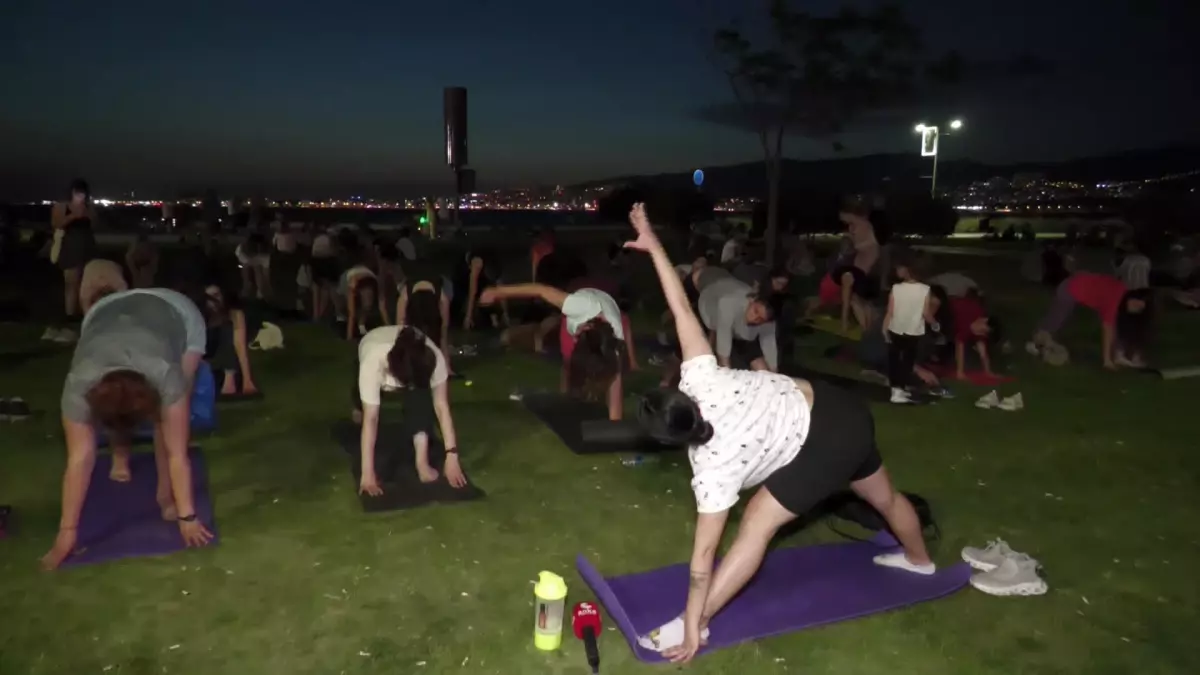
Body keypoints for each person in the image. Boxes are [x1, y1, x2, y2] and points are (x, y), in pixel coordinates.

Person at [623, 203, 934, 662]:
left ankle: (702, 625)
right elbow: (681, 305)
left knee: (755, 526)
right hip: (841, 408)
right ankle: (920, 562)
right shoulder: (701, 376)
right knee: (883, 497)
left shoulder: (712, 468)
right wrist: (653, 245)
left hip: (824, 439)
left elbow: (701, 564)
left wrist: (689, 623)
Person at [42, 285, 214, 570]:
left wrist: (187, 517)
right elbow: (79, 459)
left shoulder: (165, 374)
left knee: (170, 424)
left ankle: (165, 494)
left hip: (177, 311)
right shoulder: (78, 385)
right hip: (106, 310)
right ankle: (121, 460)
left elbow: (177, 453)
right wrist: (66, 533)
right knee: (110, 429)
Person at [480, 281, 630, 421]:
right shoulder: (578, 306)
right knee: (569, 368)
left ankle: (584, 394)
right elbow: (538, 289)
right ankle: (568, 403)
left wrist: (614, 421)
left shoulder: (614, 342)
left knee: (606, 374)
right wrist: (498, 291)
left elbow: (615, 383)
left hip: (604, 314)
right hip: (586, 306)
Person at [353, 325, 467, 493]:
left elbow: (441, 406)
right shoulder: (373, 361)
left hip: (411, 362)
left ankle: (421, 463)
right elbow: (372, 419)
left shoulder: (433, 358)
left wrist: (452, 456)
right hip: (373, 343)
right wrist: (367, 474)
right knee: (363, 409)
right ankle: (356, 404)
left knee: (419, 399)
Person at [1027, 272, 1152, 369]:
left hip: (1081, 285)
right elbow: (1107, 329)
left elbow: (1116, 326)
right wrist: (1107, 361)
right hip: (1071, 287)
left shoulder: (1121, 299)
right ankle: (1035, 343)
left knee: (1118, 324)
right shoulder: (1116, 298)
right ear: (1131, 296)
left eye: (1139, 308)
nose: (1135, 308)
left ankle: (1120, 355)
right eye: (1135, 303)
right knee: (1056, 319)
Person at [46, 179, 100, 343]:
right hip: (69, 248)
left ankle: (81, 317)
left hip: (86, 247)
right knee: (71, 283)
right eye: (77, 193)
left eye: (82, 193)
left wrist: (88, 215)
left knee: (86, 284)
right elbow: (56, 225)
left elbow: (95, 225)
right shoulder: (61, 207)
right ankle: (69, 318)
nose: (80, 196)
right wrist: (72, 217)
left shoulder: (89, 208)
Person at [881, 257, 937, 404]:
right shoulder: (925, 290)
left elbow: (890, 312)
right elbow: (926, 313)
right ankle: (898, 390)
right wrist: (935, 324)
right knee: (907, 361)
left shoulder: (896, 288)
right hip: (912, 331)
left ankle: (897, 390)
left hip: (895, 328)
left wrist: (884, 329)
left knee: (894, 359)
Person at [696, 275, 778, 372]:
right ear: (752, 300)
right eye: (755, 311)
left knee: (763, 369)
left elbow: (769, 344)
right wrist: (727, 373)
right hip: (710, 311)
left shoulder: (768, 319)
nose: (755, 319)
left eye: (760, 319)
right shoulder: (729, 302)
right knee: (705, 357)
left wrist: (774, 374)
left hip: (741, 330)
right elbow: (723, 343)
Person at [202, 285, 259, 396]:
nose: (213, 301)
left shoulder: (234, 314)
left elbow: (240, 346)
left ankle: (230, 380)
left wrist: (247, 379)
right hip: (209, 365)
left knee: (228, 329)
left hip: (229, 367)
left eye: (216, 295)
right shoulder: (202, 316)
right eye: (208, 298)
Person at [396, 263, 454, 372]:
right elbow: (400, 329)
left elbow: (443, 333)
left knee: (435, 334)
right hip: (414, 298)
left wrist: (447, 367)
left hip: (439, 284)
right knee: (408, 335)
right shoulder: (405, 295)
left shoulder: (443, 298)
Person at [459, 247, 508, 331]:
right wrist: (505, 314)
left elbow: (472, 292)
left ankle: (493, 317)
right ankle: (493, 317)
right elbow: (501, 290)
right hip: (490, 295)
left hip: (488, 297)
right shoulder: (486, 266)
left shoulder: (476, 263)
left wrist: (468, 317)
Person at [339, 265, 390, 341]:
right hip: (347, 276)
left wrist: (389, 328)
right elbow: (351, 313)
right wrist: (349, 338)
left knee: (366, 307)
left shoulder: (378, 284)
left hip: (365, 275)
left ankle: (361, 326)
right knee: (346, 306)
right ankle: (341, 319)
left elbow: (383, 308)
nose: (370, 300)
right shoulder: (353, 284)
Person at [236, 232, 271, 300]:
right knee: (246, 272)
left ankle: (260, 292)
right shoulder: (240, 251)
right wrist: (246, 283)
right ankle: (246, 288)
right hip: (246, 259)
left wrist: (264, 287)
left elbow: (266, 274)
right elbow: (243, 268)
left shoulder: (266, 255)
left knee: (259, 272)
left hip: (262, 258)